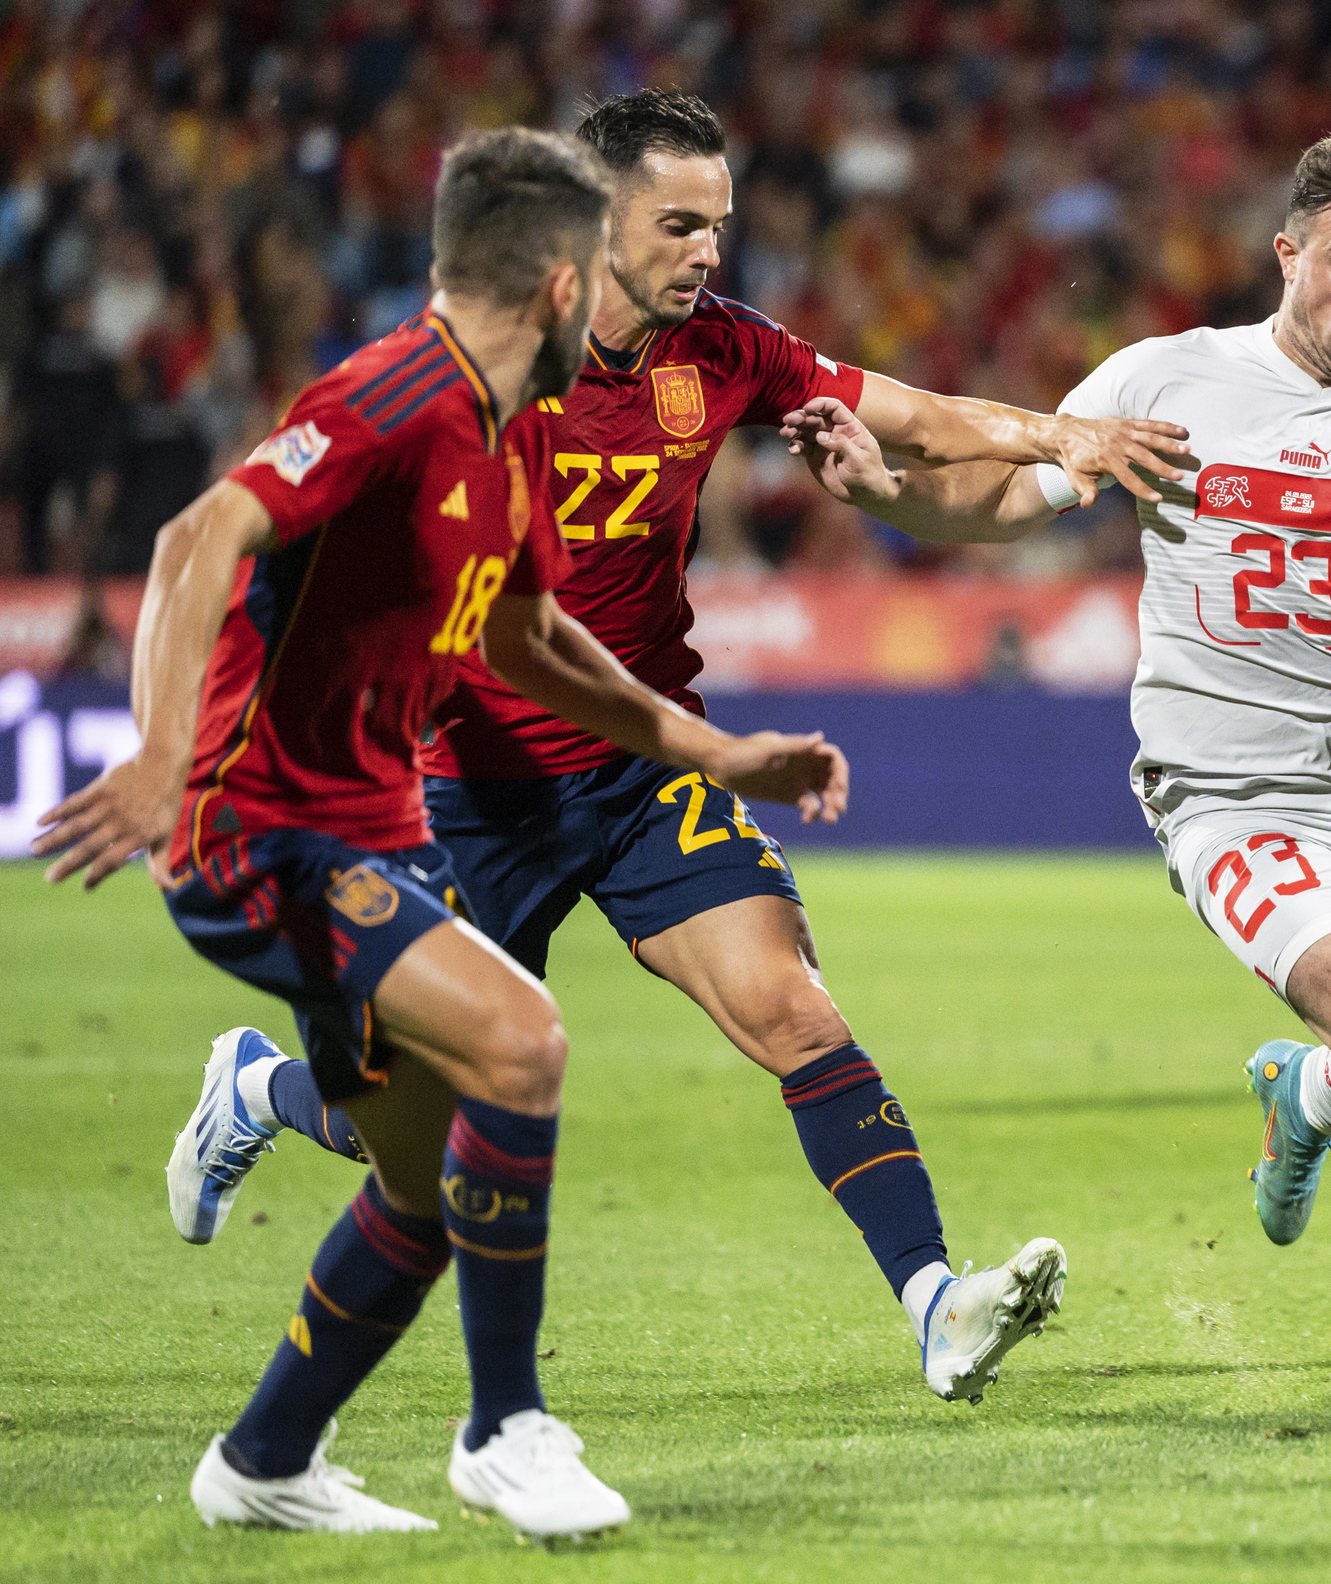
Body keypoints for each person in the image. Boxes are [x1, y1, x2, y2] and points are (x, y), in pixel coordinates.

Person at [164, 90, 1184, 1407]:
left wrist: (1064, 436)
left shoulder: (727, 351)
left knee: (792, 1009)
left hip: (642, 766)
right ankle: (259, 1091)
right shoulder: (470, 371)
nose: (710, 250)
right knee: (406, 1129)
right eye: (680, 224)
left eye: (721, 222)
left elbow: (911, 413)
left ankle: (937, 1303)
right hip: (467, 791)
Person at [36, 128, 849, 1538]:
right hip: (265, 837)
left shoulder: (494, 429)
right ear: (555, 279)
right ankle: (506, 1427)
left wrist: (720, 751)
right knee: (524, 1045)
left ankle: (263, 1462)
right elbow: (195, 541)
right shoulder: (396, 398)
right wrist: (164, 756)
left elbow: (535, 641)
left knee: (421, 1187)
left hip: (377, 836)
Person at [782, 132, 1331, 1380]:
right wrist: (877, 493)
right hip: (1224, 793)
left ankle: (1303, 1099)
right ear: (1288, 252)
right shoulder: (1167, 383)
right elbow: (997, 499)